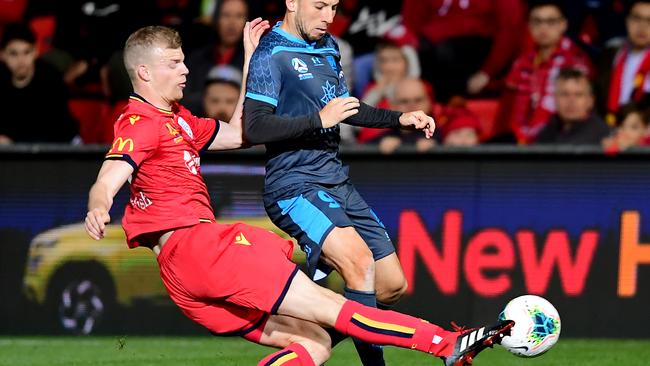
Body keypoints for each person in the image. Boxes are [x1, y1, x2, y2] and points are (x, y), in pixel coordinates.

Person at [84, 23, 514, 366]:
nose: (186, 70)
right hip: (202, 248)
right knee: (335, 309)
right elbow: (112, 173)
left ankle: (441, 343)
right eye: (175, 63)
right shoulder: (140, 123)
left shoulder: (178, 120)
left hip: (182, 275)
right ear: (144, 72)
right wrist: (99, 204)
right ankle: (446, 343)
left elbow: (238, 133)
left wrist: (252, 58)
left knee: (312, 345)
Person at [243, 1, 435, 364]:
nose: (329, 17)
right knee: (361, 264)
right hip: (294, 185)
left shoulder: (327, 46)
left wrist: (400, 118)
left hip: (336, 181)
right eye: (319, 6)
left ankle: (310, 341)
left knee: (391, 285)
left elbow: (345, 107)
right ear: (292, 2)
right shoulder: (272, 52)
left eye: (333, 7)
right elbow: (254, 127)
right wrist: (318, 119)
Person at [500, 0, 593, 144]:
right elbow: (506, 111)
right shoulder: (521, 62)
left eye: (551, 22)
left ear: (563, 25)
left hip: (559, 142)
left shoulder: (575, 61)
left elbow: (581, 112)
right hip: (518, 141)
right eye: (537, 22)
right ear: (529, 26)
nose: (543, 28)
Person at [0, 23, 78, 144]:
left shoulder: (51, 80)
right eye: (14, 54)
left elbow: (59, 129)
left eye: (26, 52)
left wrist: (14, 141)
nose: (21, 61)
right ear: (3, 55)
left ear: (36, 51)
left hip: (55, 150)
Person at [597, 0, 650, 125]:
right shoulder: (611, 53)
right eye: (637, 19)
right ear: (627, 21)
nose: (642, 27)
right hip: (609, 128)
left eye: (649, 20)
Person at [536, 68, 611, 144]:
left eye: (578, 95)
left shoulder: (604, 137)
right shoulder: (545, 135)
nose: (571, 101)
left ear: (590, 101)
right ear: (555, 99)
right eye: (564, 94)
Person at [378, 78, 437, 154]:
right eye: (404, 101)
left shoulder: (445, 136)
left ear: (429, 103)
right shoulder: (382, 139)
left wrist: (437, 147)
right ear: (392, 105)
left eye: (418, 100)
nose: (412, 106)